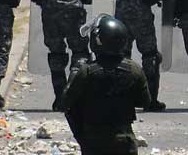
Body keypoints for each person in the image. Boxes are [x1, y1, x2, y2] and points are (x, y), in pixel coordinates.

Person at [63, 15, 150, 155]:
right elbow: (144, 101)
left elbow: (67, 104)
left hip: (93, 140)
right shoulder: (134, 69)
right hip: (124, 140)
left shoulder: (86, 71)